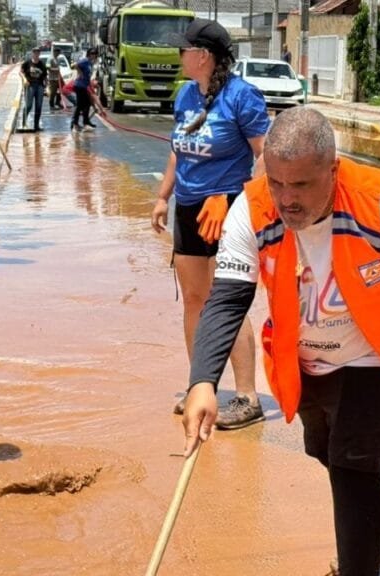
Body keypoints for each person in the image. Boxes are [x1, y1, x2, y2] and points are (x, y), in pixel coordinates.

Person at [181, 107, 380, 576]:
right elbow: (227, 299)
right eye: (277, 183)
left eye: (300, 185)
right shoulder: (252, 207)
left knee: (353, 463)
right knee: (324, 448)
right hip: (311, 355)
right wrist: (202, 381)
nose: (286, 199)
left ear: (333, 170)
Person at [151, 19, 269, 429]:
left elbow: (265, 158)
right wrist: (163, 197)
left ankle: (247, 397)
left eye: (184, 50)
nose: (178, 56)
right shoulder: (185, 94)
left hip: (227, 211)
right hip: (189, 208)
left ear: (203, 56)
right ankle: (201, 386)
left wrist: (234, 199)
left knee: (227, 300)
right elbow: (176, 151)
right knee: (195, 299)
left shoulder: (243, 98)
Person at [70, 48, 98, 132]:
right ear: (88, 54)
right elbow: (74, 65)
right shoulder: (85, 61)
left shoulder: (90, 63)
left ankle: (85, 122)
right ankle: (75, 124)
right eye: (92, 53)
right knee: (80, 105)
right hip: (79, 85)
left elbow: (88, 76)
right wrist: (80, 72)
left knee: (87, 104)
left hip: (84, 86)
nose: (93, 55)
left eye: (95, 54)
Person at [20, 47, 47, 131]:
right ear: (32, 53)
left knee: (38, 106)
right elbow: (21, 72)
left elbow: (45, 76)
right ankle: (24, 123)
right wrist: (24, 79)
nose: (36, 54)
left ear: (39, 54)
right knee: (29, 105)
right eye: (35, 52)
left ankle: (36, 125)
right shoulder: (27, 63)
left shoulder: (42, 64)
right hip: (30, 85)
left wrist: (47, 87)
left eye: (38, 52)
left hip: (39, 86)